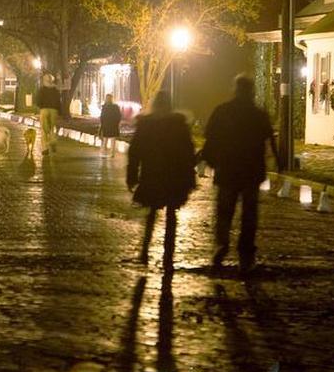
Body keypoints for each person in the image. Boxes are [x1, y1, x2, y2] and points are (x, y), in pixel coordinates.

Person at [200, 74, 281, 273]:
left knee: (224, 211)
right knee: (249, 213)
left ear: (235, 89)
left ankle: (222, 244)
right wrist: (278, 162)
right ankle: (246, 251)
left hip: (227, 169)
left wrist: (210, 159)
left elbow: (211, 138)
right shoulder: (258, 114)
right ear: (251, 91)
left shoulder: (223, 111)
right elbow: (269, 139)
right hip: (251, 171)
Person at [127, 92, 196, 267]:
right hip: (174, 177)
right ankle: (168, 255)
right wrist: (189, 178)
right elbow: (187, 153)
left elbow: (135, 152)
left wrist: (132, 176)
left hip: (153, 175)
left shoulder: (146, 124)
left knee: (151, 214)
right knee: (171, 216)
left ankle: (144, 250)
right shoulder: (179, 125)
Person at [36, 74, 61, 155]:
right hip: (54, 110)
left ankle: (45, 148)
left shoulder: (42, 89)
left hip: (44, 110)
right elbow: (58, 101)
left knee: (44, 130)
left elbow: (38, 100)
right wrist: (59, 111)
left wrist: (40, 107)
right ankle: (53, 141)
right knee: (52, 128)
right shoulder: (55, 90)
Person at [98, 93, 122, 158]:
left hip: (108, 125)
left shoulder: (105, 107)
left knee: (106, 139)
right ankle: (110, 153)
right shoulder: (114, 107)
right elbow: (119, 116)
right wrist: (117, 123)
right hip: (112, 125)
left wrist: (102, 125)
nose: (107, 99)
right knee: (111, 139)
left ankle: (104, 152)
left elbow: (102, 116)